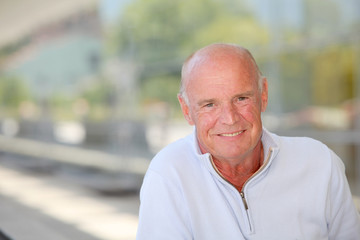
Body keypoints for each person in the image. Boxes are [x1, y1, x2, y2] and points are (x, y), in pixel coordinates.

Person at [136, 43, 360, 239]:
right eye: (209, 105)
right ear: (186, 110)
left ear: (263, 96)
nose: (230, 119)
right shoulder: (167, 175)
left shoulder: (319, 163)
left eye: (241, 98)